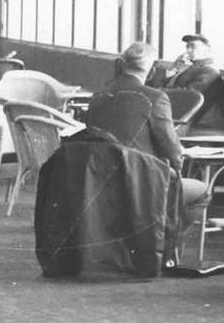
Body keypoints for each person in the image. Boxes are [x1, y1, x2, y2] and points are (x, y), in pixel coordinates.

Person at [84, 42, 209, 211]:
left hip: (97, 181)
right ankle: (164, 235)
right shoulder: (156, 98)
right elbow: (173, 152)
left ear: (120, 66)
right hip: (141, 183)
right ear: (152, 72)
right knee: (202, 192)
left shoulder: (98, 97)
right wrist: (177, 169)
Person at [152, 33, 220, 100]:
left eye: (193, 47)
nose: (188, 50)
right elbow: (170, 84)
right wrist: (174, 67)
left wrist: (157, 92)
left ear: (206, 49)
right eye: (187, 47)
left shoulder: (210, 70)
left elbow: (188, 95)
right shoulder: (195, 66)